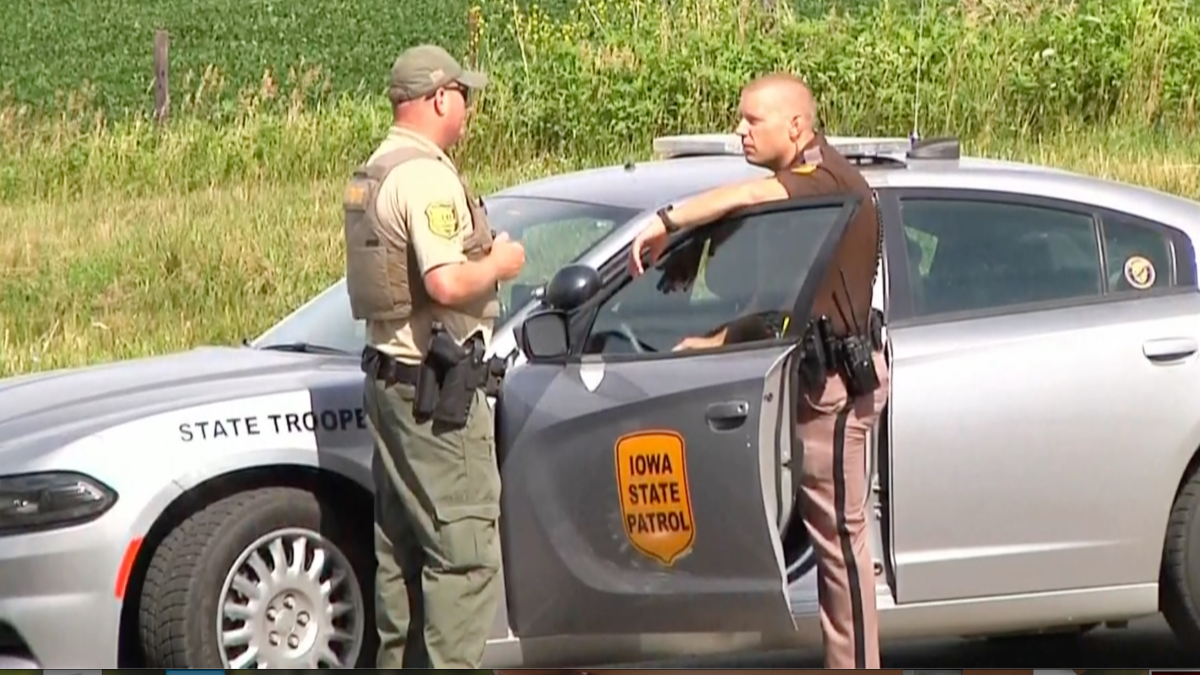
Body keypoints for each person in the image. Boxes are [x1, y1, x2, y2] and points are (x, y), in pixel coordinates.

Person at [627, 72, 889, 669]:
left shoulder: (825, 182)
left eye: (752, 120)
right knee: (834, 542)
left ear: (796, 127)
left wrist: (671, 220)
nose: (739, 131)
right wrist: (715, 338)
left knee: (843, 545)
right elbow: (787, 303)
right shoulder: (804, 189)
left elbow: (746, 198)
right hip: (811, 378)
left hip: (836, 387)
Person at [342, 43, 526, 668]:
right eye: (463, 96)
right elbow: (447, 282)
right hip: (436, 393)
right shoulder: (426, 176)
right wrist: (499, 262)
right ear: (439, 98)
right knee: (465, 555)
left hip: (392, 381)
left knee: (402, 553)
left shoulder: (377, 169)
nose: (468, 109)